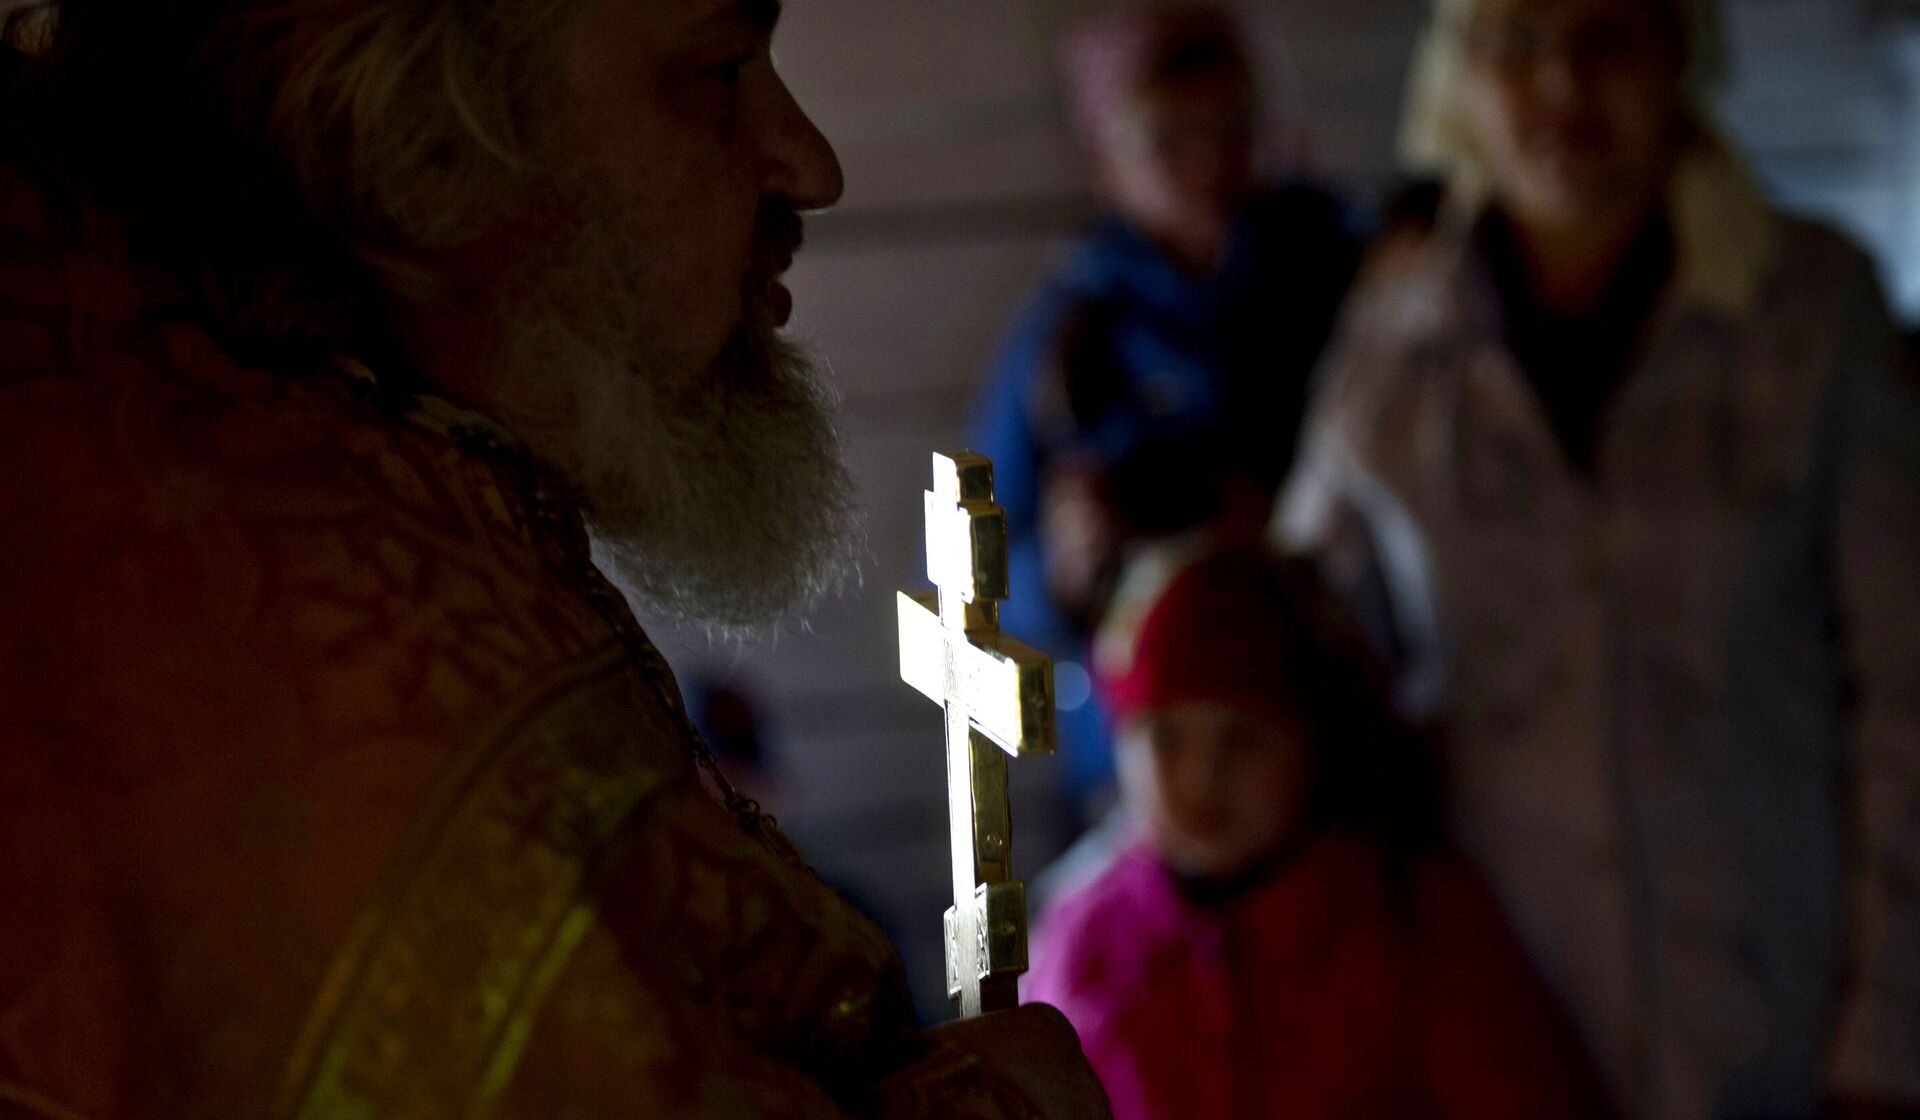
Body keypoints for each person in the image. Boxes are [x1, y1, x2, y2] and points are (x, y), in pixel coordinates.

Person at [0, 1, 1111, 1117]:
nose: (810, 167)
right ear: (411, 146)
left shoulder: (302, 486)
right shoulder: (320, 702)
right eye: (723, 68)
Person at [1276, 0, 1920, 1116]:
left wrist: (1887, 1042)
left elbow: (1909, 693)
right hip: (1489, 1020)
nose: (1562, 87)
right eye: (1515, 45)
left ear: (1681, 55)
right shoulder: (1396, 342)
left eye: (1608, 37)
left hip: (1775, 1017)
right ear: (1460, 80)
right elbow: (1300, 644)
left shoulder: (1816, 312)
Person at [1025, 543, 1608, 1120]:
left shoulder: (1408, 918)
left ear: (1313, 740)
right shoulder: (1082, 939)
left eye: (1243, 737)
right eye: (1166, 737)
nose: (1204, 777)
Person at [971, 3, 1362, 806]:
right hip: (1147, 758)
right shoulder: (1067, 343)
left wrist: (1285, 534)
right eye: (1169, 138)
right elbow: (969, 593)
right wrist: (1068, 570)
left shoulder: (1342, 281)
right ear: (1104, 159)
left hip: (1329, 726)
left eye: (1231, 126)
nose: (1210, 162)